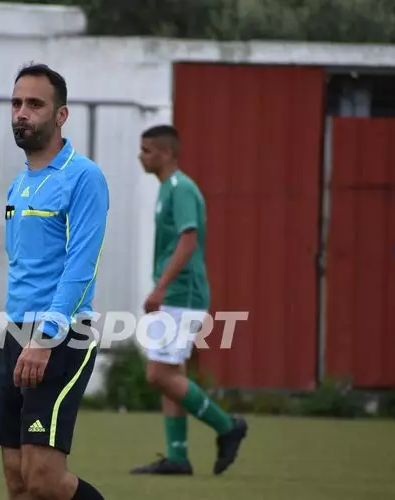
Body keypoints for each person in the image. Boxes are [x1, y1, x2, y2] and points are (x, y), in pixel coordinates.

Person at [0, 63, 109, 500]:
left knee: (44, 478)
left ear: (61, 115)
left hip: (61, 335)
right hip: (16, 333)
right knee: (17, 480)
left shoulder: (84, 177)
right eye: (16, 103)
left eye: (35, 104)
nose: (22, 112)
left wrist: (45, 336)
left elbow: (81, 265)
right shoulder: (19, 184)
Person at [129, 125, 247, 476]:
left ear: (166, 153)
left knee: (158, 374)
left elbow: (188, 240)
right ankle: (177, 457)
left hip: (182, 293)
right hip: (175, 293)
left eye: (147, 150)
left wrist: (160, 288)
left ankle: (227, 426)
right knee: (171, 372)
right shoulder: (168, 188)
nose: (141, 156)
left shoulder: (181, 188)